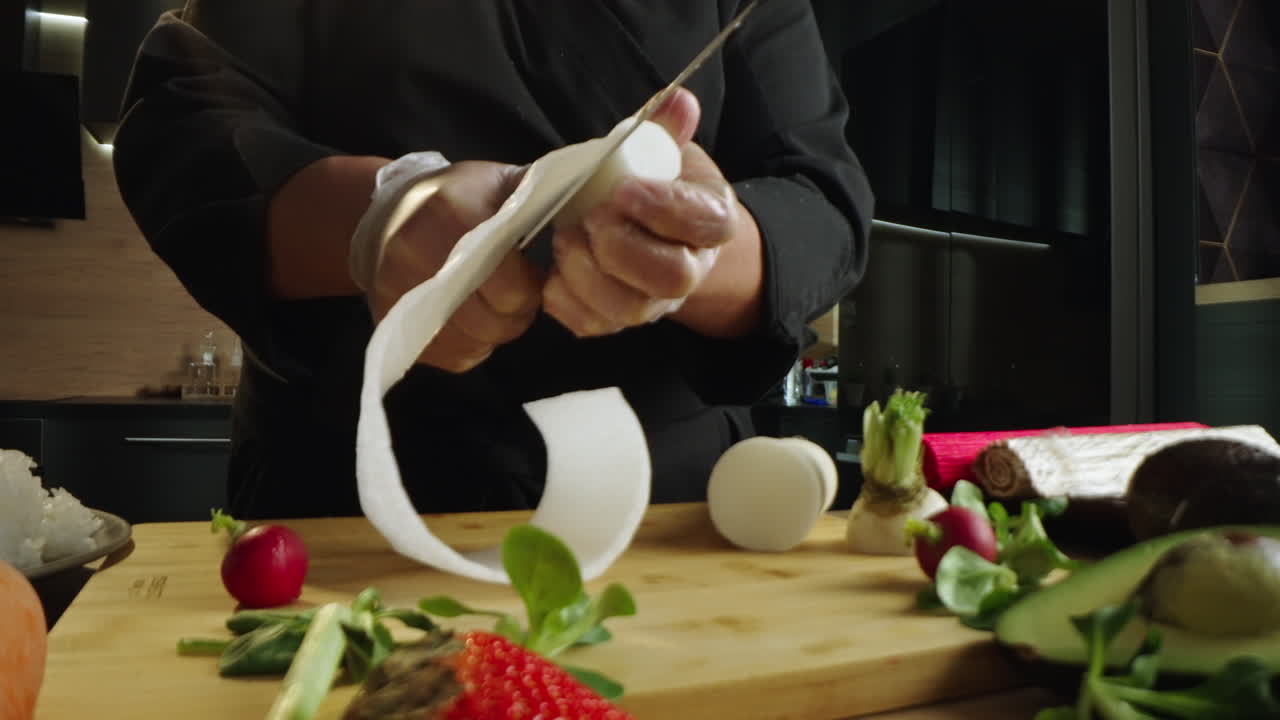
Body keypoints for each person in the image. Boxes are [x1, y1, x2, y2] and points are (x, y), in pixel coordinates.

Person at [113, 0, 874, 520]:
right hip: (342, 494)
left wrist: (692, 252)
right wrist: (380, 218)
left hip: (662, 504)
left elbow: (823, 198)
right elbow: (187, 125)